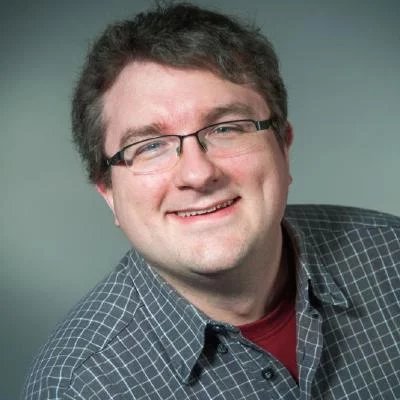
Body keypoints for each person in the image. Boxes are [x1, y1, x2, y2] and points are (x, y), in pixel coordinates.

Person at [23, 3, 400, 399]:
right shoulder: (77, 387)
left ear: (283, 149)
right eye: (149, 146)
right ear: (109, 192)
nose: (198, 174)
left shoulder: (392, 256)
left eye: (226, 128)